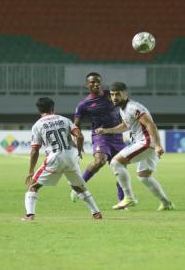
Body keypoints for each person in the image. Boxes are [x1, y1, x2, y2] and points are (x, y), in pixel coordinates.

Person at [96, 82, 174, 211]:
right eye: (112, 94)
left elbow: (150, 125)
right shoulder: (123, 109)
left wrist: (158, 145)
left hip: (146, 142)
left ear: (125, 94)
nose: (114, 97)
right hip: (146, 143)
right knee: (144, 177)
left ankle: (129, 197)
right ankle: (166, 203)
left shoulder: (133, 107)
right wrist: (106, 130)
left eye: (117, 94)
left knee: (116, 163)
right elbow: (126, 126)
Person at [22, 97, 102, 221]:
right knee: (78, 186)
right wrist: (79, 151)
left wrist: (31, 170)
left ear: (39, 110)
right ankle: (96, 213)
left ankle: (29, 215)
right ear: (53, 108)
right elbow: (79, 136)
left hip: (55, 157)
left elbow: (35, 150)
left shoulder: (37, 125)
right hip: (71, 156)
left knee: (33, 186)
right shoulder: (64, 120)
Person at [70, 72, 126, 202]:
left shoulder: (110, 95)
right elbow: (75, 126)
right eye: (92, 82)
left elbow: (124, 103)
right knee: (99, 161)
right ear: (87, 85)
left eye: (98, 81)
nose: (96, 84)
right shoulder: (83, 105)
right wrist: (77, 143)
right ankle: (77, 187)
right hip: (100, 136)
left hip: (117, 135)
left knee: (121, 169)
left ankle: (122, 201)